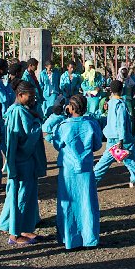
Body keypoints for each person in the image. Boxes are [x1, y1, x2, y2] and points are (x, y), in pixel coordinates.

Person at [0, 81, 46, 247]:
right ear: (20, 95)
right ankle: (14, 234)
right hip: (22, 161)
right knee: (21, 197)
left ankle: (25, 229)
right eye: (29, 97)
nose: (32, 100)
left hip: (26, 161)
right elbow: (27, 137)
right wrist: (39, 124)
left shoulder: (22, 111)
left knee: (28, 196)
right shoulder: (19, 113)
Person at [50, 94, 102, 249]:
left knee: (68, 204)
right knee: (87, 202)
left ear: (71, 108)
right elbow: (97, 145)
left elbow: (56, 142)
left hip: (68, 170)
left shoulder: (64, 126)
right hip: (86, 168)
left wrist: (57, 113)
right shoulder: (91, 124)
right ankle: (89, 238)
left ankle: (69, 238)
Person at [93, 80, 135, 188]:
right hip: (122, 137)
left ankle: (92, 181)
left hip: (111, 136)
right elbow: (121, 122)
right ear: (122, 90)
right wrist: (121, 139)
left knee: (104, 161)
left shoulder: (111, 102)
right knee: (132, 159)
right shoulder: (121, 104)